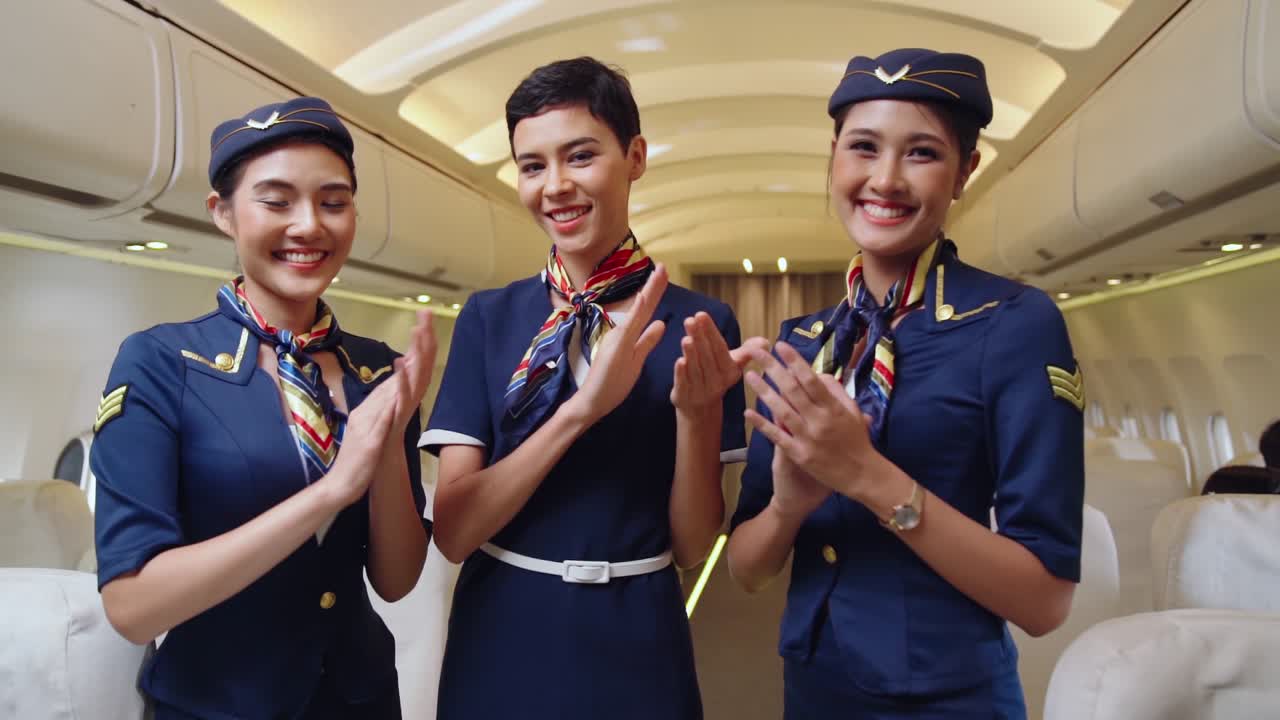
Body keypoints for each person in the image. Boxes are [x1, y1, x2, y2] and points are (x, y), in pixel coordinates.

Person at [726, 48, 1085, 718]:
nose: (884, 179)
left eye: (921, 153)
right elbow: (747, 570)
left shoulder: (1013, 326)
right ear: (834, 157)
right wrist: (788, 507)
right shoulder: (805, 343)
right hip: (812, 686)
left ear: (963, 173)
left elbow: (1044, 602)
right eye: (863, 148)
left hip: (946, 699)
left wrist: (865, 475)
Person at [421, 57, 757, 719]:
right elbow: (455, 533)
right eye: (532, 165)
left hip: (639, 629)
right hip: (503, 629)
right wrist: (581, 412)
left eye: (580, 157)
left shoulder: (697, 322)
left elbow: (692, 547)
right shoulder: (490, 319)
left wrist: (696, 417)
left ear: (634, 157)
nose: (556, 187)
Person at [90, 97, 435, 719]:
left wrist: (384, 448)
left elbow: (396, 580)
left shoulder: (379, 370)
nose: (309, 226)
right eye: (276, 202)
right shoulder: (161, 362)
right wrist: (330, 493)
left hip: (360, 701)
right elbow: (133, 607)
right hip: (215, 706)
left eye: (333, 202)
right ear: (223, 213)